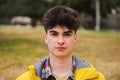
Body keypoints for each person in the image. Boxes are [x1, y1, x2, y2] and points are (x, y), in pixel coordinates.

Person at [16, 6, 105, 80]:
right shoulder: (26, 78)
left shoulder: (95, 78)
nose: (60, 41)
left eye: (67, 34)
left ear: (75, 38)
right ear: (46, 38)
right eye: (54, 34)